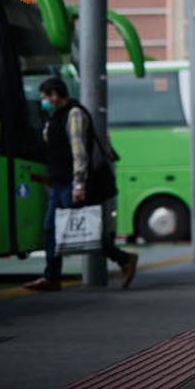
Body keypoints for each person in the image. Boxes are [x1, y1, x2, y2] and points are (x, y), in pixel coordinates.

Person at [24, 77, 138, 292]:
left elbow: (79, 152)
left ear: (55, 96)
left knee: (87, 229)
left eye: (45, 98)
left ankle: (125, 259)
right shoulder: (54, 117)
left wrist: (79, 184)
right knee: (50, 229)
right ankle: (51, 277)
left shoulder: (75, 114)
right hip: (58, 184)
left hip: (71, 184)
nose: (43, 102)